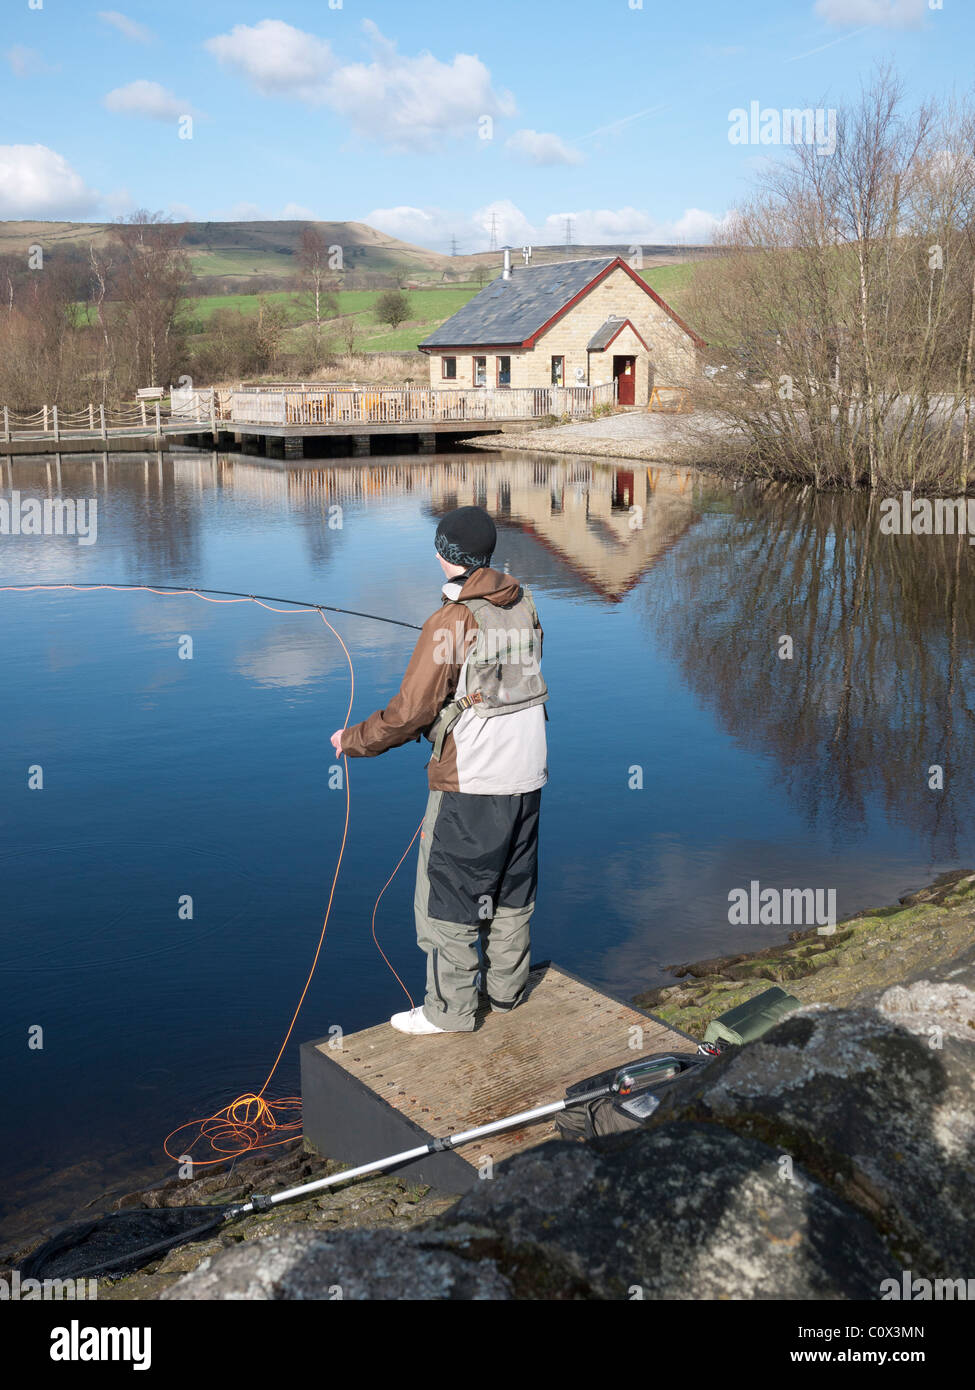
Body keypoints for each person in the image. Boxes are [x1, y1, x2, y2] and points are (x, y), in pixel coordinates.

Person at [331, 505, 548, 1035]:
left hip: (474, 780)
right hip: (530, 771)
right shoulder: (524, 602)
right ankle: (506, 992)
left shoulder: (452, 620)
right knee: (511, 887)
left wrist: (352, 741)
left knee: (448, 896)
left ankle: (448, 1012)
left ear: (446, 555)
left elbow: (411, 713)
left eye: (438, 547)